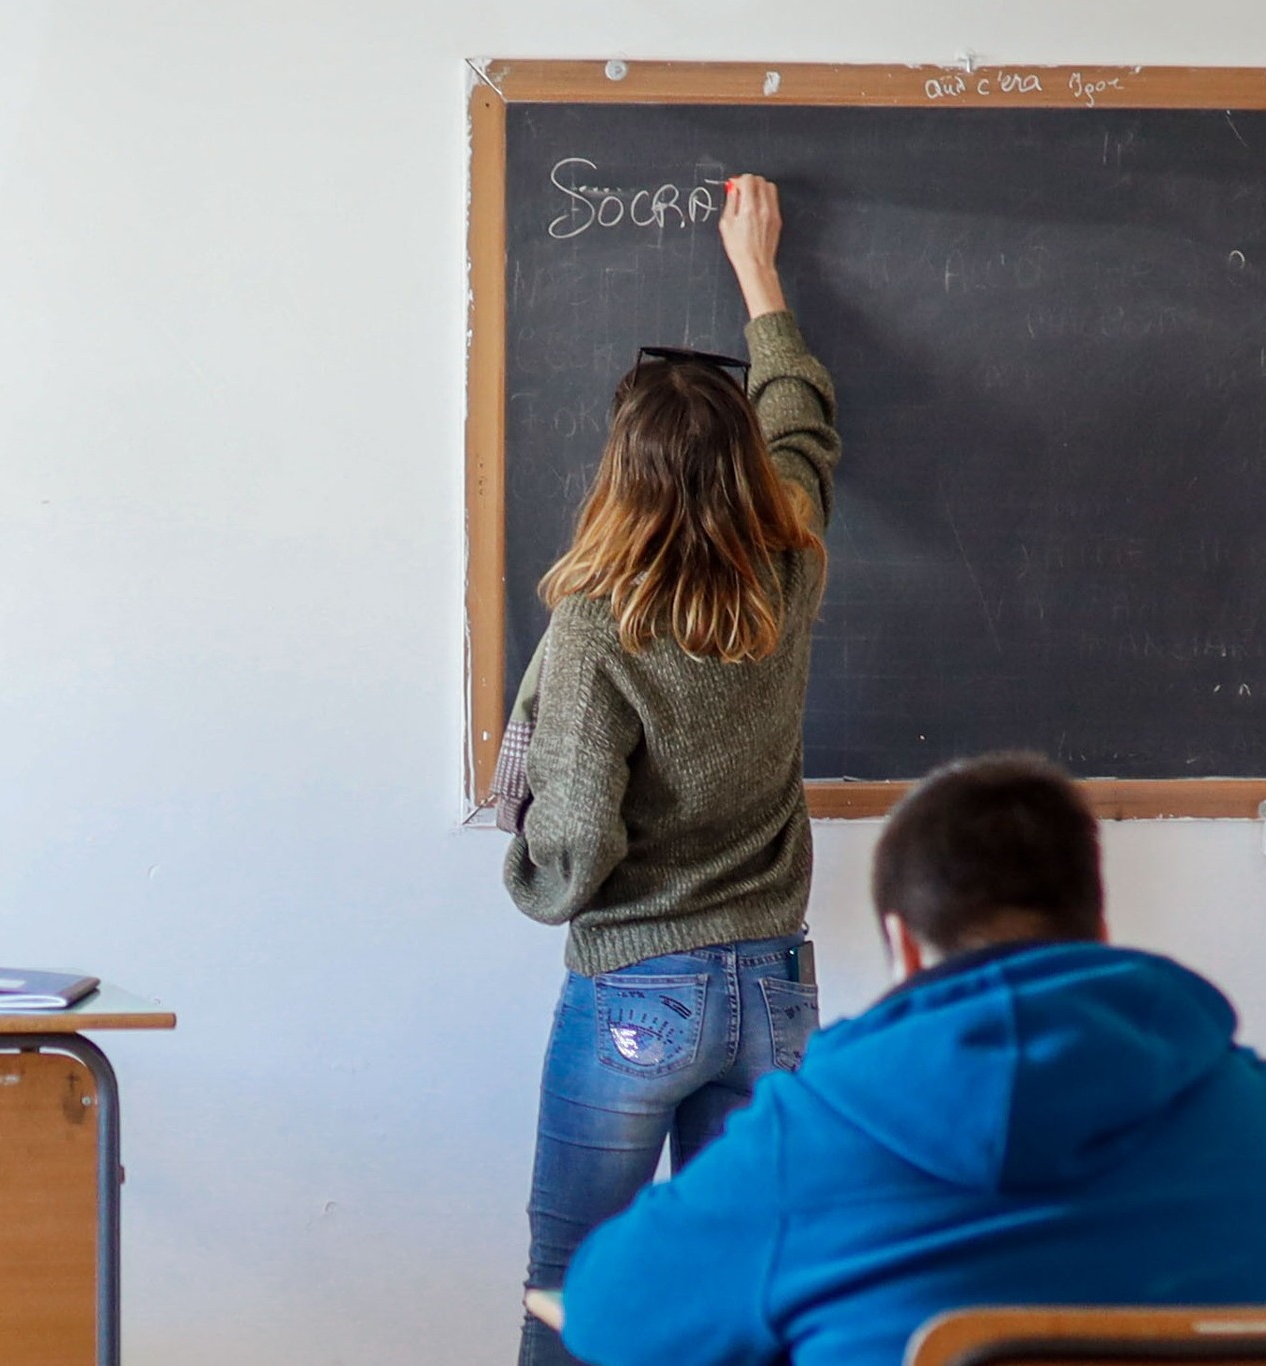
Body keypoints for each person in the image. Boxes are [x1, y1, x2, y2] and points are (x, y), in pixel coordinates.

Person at [554, 753, 1266, 1366]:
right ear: (1097, 922)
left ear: (904, 946)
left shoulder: (810, 1140)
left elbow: (605, 1316)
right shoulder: (1263, 1122)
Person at [503, 174, 842, 1366]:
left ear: (623, 473)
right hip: (774, 991)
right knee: (742, 1297)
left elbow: (580, 833)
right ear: (744, 464)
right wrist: (758, 275)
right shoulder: (788, 568)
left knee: (576, 1292)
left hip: (635, 991)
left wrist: (535, 878)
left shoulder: (599, 623)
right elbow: (801, 423)